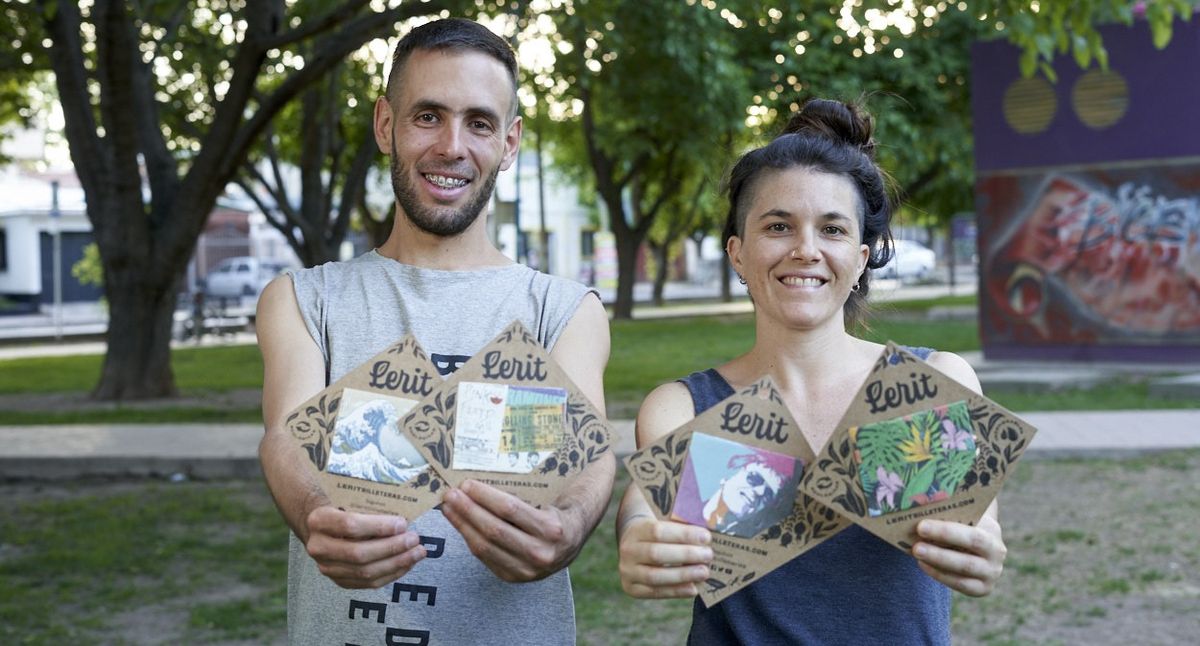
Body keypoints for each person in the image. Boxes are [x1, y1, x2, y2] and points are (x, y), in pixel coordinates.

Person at [256, 18, 613, 645]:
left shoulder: (563, 308)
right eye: (428, 116)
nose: (452, 146)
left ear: (509, 143)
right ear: (386, 125)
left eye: (479, 122)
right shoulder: (304, 299)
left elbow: (589, 456)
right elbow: (285, 438)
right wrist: (316, 512)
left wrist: (571, 522)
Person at [615, 98, 1006, 643]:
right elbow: (642, 510)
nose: (805, 250)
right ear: (737, 252)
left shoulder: (931, 383)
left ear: (863, 256)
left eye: (832, 230)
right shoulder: (686, 406)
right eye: (778, 226)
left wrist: (981, 549)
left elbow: (979, 524)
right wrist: (638, 539)